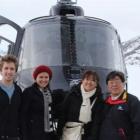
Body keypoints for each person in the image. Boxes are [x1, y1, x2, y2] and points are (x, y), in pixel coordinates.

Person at [57, 70, 104, 140]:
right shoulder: (73, 94)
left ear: (96, 84)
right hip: (70, 134)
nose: (89, 82)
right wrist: (59, 133)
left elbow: (96, 123)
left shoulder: (99, 99)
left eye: (93, 80)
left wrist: (92, 137)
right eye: (87, 79)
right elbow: (63, 114)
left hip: (87, 135)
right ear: (82, 80)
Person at [20, 65, 59, 140]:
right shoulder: (29, 92)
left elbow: (51, 110)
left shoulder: (49, 92)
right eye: (41, 77)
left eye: (46, 77)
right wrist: (24, 136)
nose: (43, 80)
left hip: (48, 133)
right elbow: (23, 115)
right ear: (36, 78)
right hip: (34, 134)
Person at [99, 71, 140, 140]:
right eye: (111, 82)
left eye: (117, 82)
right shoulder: (104, 101)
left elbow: (138, 126)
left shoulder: (132, 101)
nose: (114, 85)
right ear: (107, 85)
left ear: (124, 84)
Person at [0, 55, 22, 140]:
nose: (9, 71)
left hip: (13, 136)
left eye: (12, 69)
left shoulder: (18, 90)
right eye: (6, 68)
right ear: (1, 71)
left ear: (15, 71)